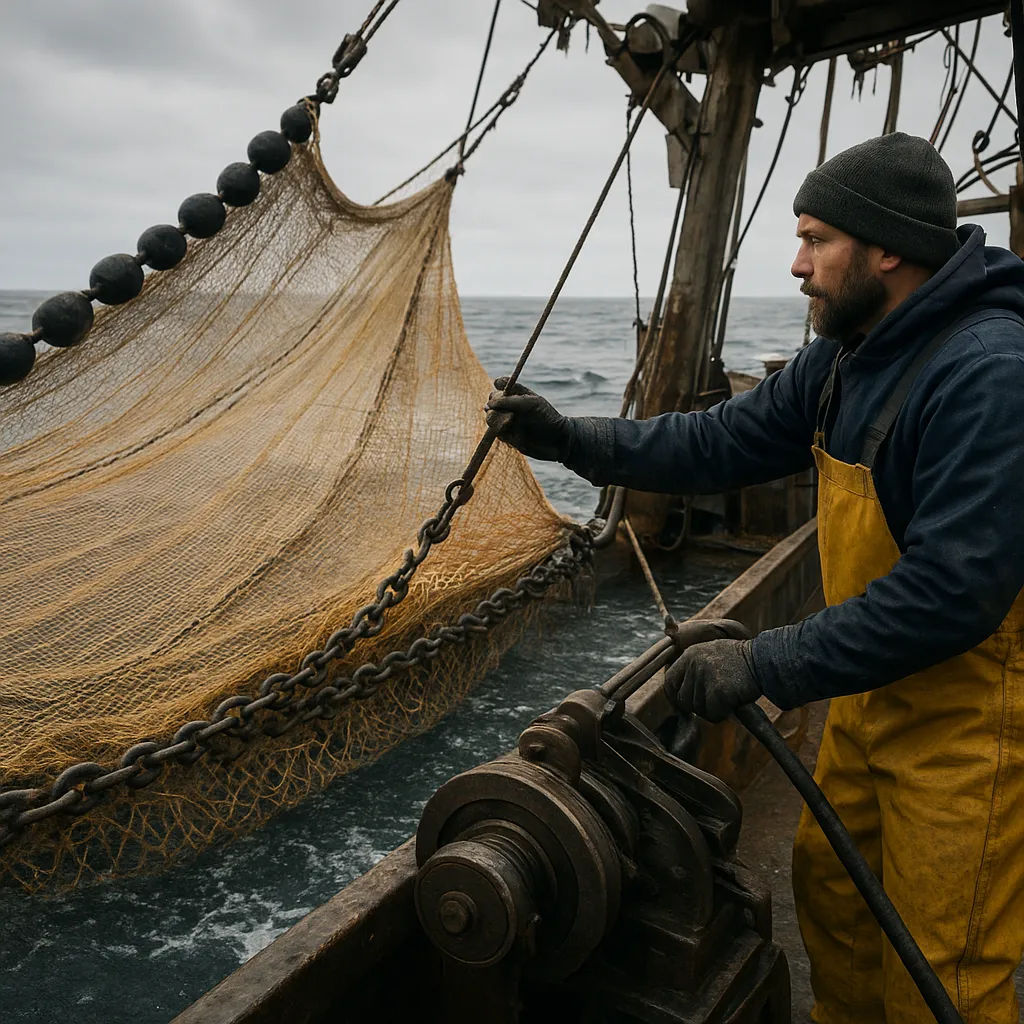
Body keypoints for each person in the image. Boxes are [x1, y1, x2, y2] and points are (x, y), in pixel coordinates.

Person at [485, 133, 1024, 1024]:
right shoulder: (851, 351)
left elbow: (950, 594)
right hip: (867, 698)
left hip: (968, 726)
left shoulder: (988, 374)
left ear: (887, 250)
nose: (798, 263)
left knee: (945, 964)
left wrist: (765, 663)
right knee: (837, 903)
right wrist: (573, 441)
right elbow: (721, 440)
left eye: (817, 239)